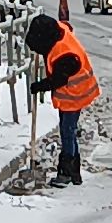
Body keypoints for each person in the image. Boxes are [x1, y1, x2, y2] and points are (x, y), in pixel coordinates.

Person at [23, 15, 101, 189]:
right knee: (69, 131)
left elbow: (58, 80)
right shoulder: (59, 31)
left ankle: (66, 172)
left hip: (76, 95)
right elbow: (66, 26)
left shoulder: (65, 55)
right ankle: (74, 172)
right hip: (70, 95)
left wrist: (39, 86)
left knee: (67, 131)